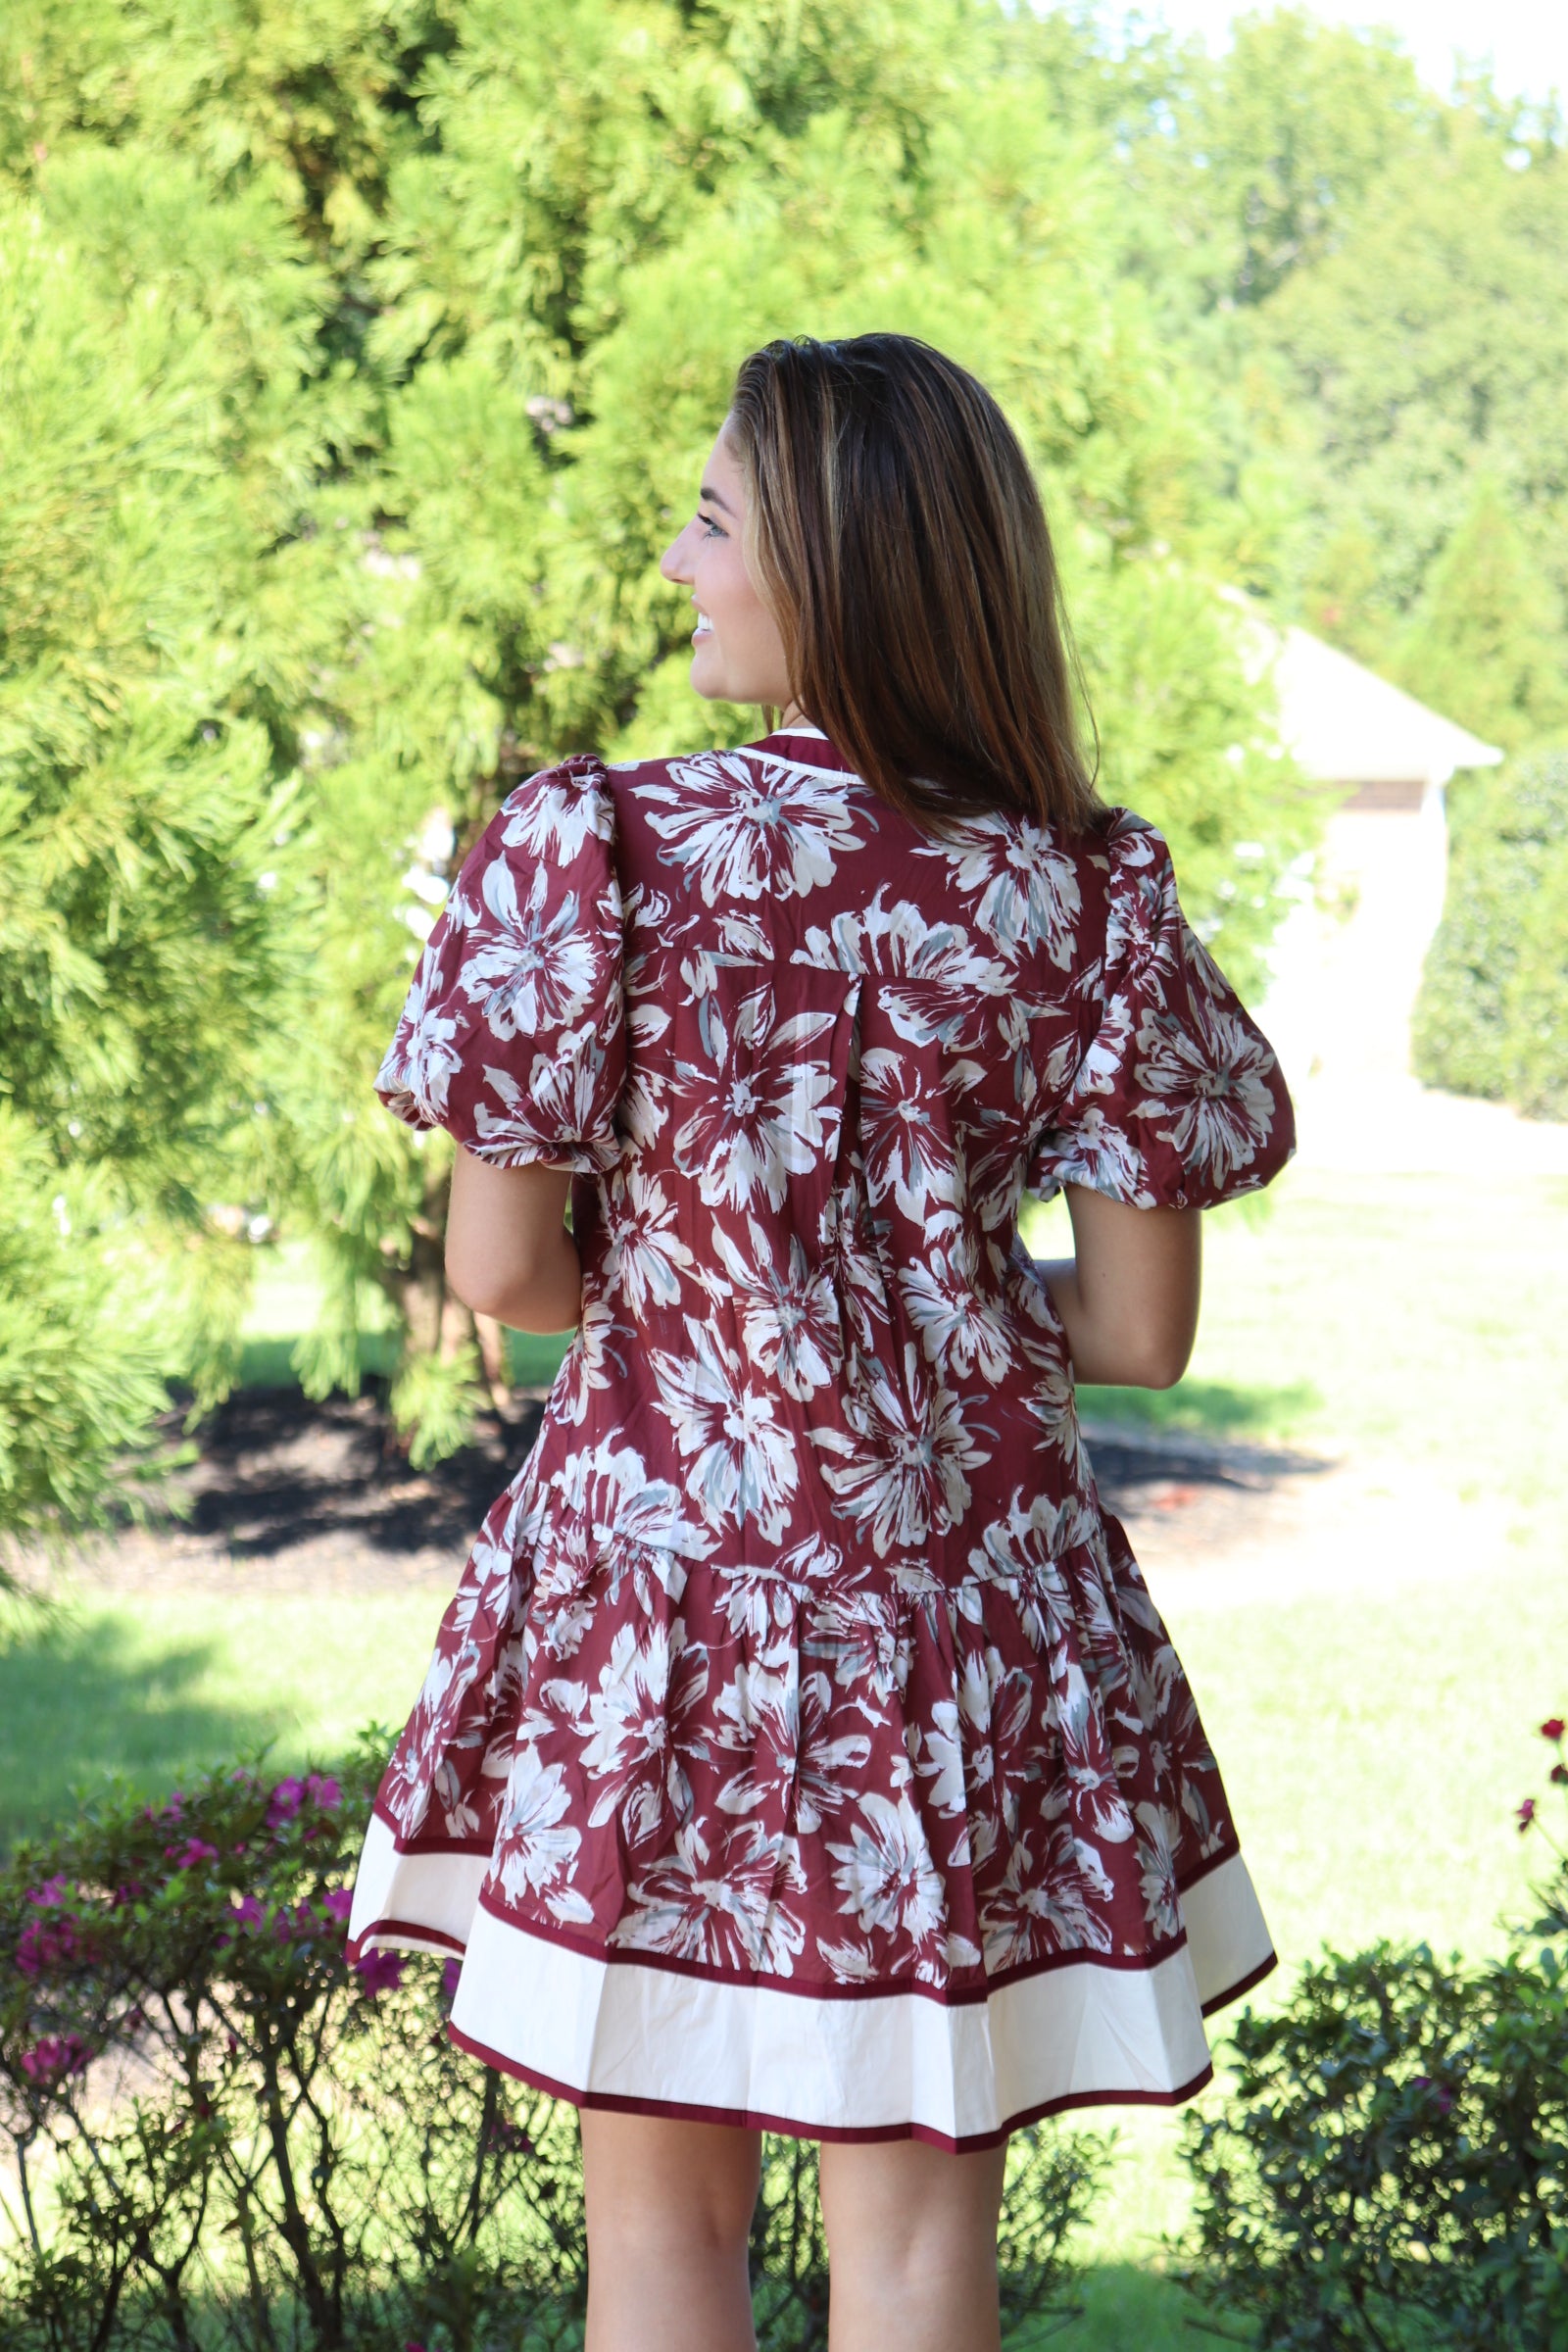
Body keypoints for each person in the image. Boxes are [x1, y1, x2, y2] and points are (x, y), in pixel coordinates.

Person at [348, 332, 1296, 2352]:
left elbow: (507, 1272)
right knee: (916, 2249)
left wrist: (725, 1276)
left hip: (665, 1606)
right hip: (962, 1623)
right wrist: (905, 1291)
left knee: (657, 2244)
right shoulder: (1083, 893)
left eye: (706, 522)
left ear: (834, 563)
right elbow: (1134, 1330)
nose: (675, 568)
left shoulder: (595, 853)